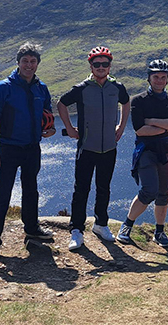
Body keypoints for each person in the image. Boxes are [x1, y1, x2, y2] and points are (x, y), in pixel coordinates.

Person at [0, 42, 56, 260]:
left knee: (31, 190)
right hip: (8, 148)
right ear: (18, 62)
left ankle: (32, 229)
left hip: (32, 147)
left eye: (33, 61)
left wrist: (49, 130)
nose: (29, 65)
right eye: (25, 61)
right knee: (3, 195)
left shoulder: (41, 88)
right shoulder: (3, 87)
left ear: (37, 64)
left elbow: (47, 116)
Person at [58, 46, 130, 251]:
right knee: (81, 189)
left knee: (104, 188)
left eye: (104, 64)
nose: (100, 67)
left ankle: (100, 224)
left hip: (109, 147)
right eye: (96, 64)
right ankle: (77, 230)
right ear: (90, 65)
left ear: (109, 66)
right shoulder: (82, 88)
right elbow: (61, 104)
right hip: (86, 147)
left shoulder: (117, 87)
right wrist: (70, 128)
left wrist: (122, 126)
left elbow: (126, 103)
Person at [116, 59, 168, 247]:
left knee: (164, 193)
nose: (159, 80)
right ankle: (127, 225)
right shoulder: (138, 100)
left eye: (163, 77)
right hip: (146, 151)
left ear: (167, 79)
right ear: (149, 78)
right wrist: (165, 126)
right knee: (149, 190)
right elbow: (139, 129)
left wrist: (151, 121)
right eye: (156, 77)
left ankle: (159, 233)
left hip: (167, 151)